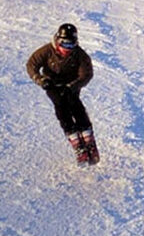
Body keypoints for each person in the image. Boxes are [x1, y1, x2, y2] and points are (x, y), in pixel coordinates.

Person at [26, 23, 99, 164]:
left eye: (71, 45)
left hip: (71, 84)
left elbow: (87, 74)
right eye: (64, 44)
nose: (67, 49)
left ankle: (88, 138)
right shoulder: (47, 51)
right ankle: (76, 142)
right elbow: (31, 65)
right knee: (61, 106)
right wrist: (40, 80)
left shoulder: (80, 55)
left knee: (75, 105)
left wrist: (72, 86)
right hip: (52, 84)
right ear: (58, 40)